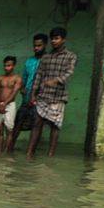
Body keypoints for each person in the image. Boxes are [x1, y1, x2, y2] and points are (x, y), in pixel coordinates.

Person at [27, 27, 77, 159]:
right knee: (36, 124)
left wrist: (56, 80)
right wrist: (33, 94)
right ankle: (30, 153)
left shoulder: (70, 56)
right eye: (52, 39)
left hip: (58, 97)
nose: (54, 41)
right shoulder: (46, 57)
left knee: (55, 126)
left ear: (63, 39)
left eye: (57, 38)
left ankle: (50, 155)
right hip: (43, 96)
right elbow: (38, 76)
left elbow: (69, 73)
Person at [7, 33, 48, 153]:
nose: (36, 48)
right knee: (17, 123)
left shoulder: (48, 60)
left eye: (39, 45)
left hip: (41, 99)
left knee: (37, 125)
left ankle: (30, 154)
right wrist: (22, 89)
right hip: (26, 98)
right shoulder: (29, 61)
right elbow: (24, 79)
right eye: (35, 45)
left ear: (45, 45)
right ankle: (9, 150)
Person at [0, 56, 23, 154]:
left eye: (9, 65)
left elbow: (14, 93)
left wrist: (4, 104)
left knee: (9, 129)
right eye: (5, 65)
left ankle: (6, 152)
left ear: (13, 66)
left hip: (10, 105)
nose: (6, 68)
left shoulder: (17, 78)